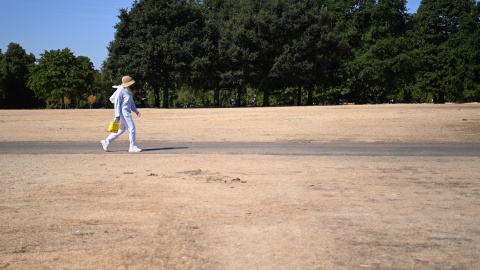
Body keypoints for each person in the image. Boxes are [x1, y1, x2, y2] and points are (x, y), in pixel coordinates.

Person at [101, 76, 142, 153]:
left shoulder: (128, 90)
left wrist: (136, 111)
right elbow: (117, 103)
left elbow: (131, 103)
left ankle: (106, 141)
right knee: (131, 128)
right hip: (123, 113)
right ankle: (132, 147)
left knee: (121, 129)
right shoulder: (120, 90)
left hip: (127, 112)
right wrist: (117, 115)